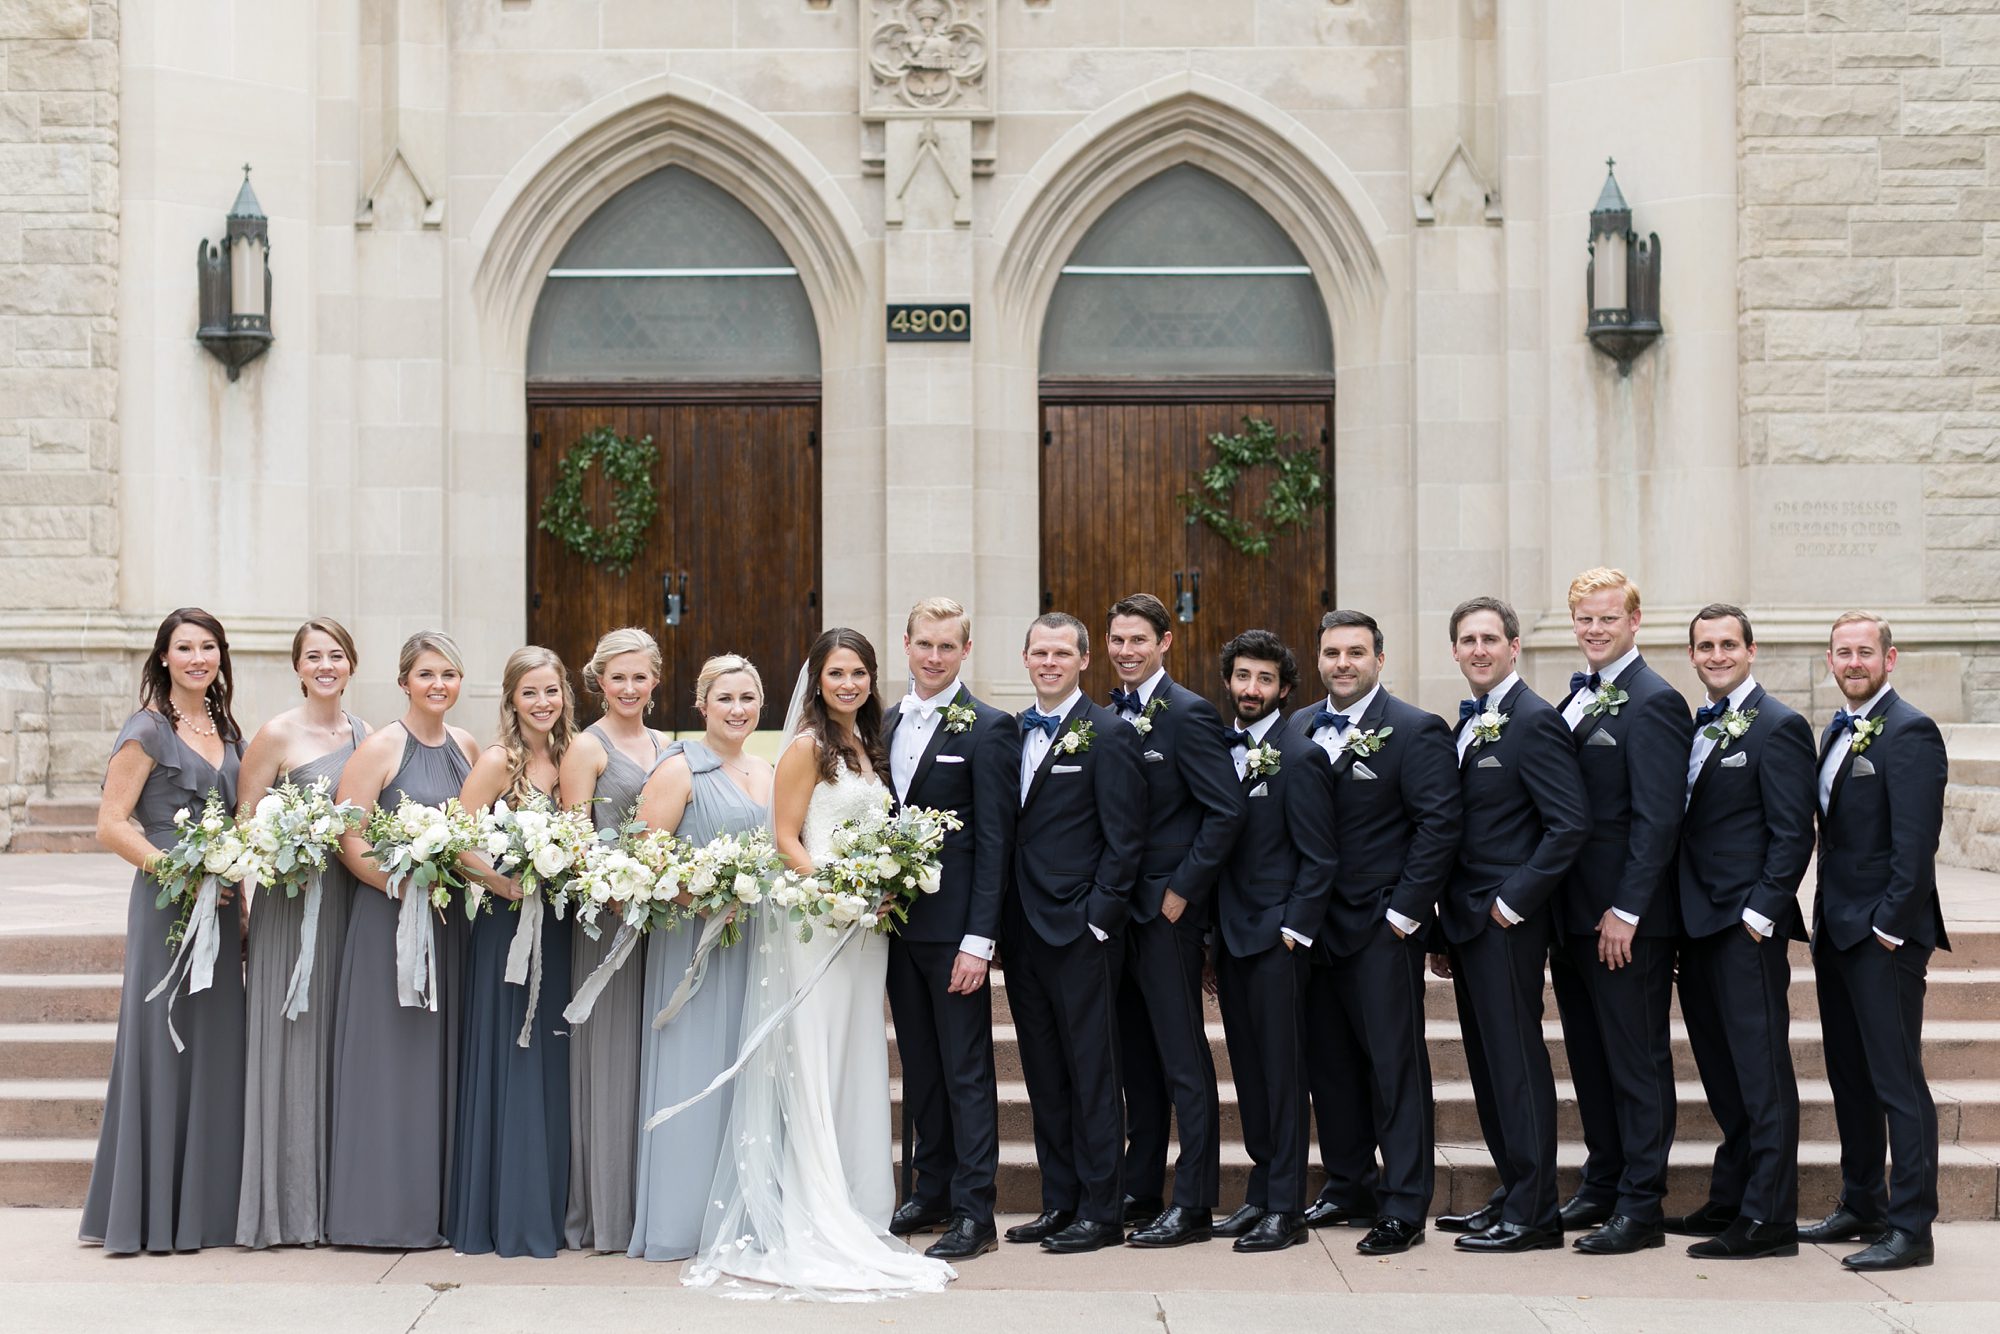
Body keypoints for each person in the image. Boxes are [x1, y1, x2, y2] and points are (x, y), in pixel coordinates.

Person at [683, 628, 954, 1296]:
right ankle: (816, 1207)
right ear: (818, 679)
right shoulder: (806, 746)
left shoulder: (869, 746)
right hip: (820, 927)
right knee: (817, 1056)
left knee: (856, 1058)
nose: (849, 684)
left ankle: (861, 1207)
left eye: (859, 672)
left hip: (868, 934)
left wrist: (879, 892)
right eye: (837, 673)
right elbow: (785, 838)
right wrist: (842, 894)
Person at [1289, 610, 1460, 1255]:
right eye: (1332, 652)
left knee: (1395, 1067)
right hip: (1313, 931)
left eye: (1355, 653)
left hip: (1382, 928)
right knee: (1328, 1066)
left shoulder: (1416, 731)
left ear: (1378, 660)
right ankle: (1347, 1182)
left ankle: (1405, 1202)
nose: (1342, 663)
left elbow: (1439, 827)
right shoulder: (1299, 726)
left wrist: (1403, 915)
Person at [81, 609, 247, 1254]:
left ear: (220, 657)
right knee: (164, 1042)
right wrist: (178, 870)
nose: (198, 657)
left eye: (208, 647)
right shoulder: (146, 729)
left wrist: (239, 899)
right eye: (185, 648)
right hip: (166, 904)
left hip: (225, 899)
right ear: (164, 658)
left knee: (216, 1045)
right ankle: (148, 1212)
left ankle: (209, 1211)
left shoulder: (229, 731)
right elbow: (112, 823)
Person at [1430, 597, 1586, 1254]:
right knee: (1490, 1066)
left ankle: (1535, 1212)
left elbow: (1568, 824)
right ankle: (1512, 1189)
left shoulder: (1535, 720)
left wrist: (1511, 903)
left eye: (1490, 638)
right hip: (1466, 924)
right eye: (1467, 639)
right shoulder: (1471, 723)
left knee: (1516, 1063)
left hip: (1506, 924)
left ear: (1514, 647)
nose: (1478, 649)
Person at [1800, 612, 1950, 1273]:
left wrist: (1888, 929)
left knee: (1897, 1082)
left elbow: (1916, 848)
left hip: (1883, 937)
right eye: (1843, 652)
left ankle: (1912, 1227)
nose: (1854, 661)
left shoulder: (1911, 731)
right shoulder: (1836, 729)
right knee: (1850, 1077)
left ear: (1891, 659)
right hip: (1836, 931)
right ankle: (1862, 1202)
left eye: (1866, 652)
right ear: (1830, 661)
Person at [1549, 568, 1691, 1255]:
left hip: (1623, 922)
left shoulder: (1655, 701)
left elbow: (1658, 820)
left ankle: (1641, 1205)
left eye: (1607, 619)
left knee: (1636, 1060)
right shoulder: (1578, 699)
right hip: (1572, 917)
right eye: (1585, 620)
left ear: (1634, 622)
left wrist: (1627, 911)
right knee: (1592, 1058)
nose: (1595, 631)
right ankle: (1602, 1182)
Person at [1669, 603, 1815, 1260]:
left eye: (1729, 644)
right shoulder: (1694, 726)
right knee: (1722, 1073)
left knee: (1761, 1074)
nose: (1718, 655)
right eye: (1706, 646)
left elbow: (1793, 833)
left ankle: (1769, 1219)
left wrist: (1760, 917)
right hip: (1695, 925)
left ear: (1751, 651)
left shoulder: (1779, 726)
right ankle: (1731, 1197)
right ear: (1693, 654)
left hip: (1744, 929)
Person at [325, 631, 479, 1248]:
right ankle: (377, 1213)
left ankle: (432, 1208)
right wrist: (401, 884)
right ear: (403, 682)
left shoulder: (467, 746)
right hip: (389, 922)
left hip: (447, 925)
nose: (438, 685)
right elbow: (349, 836)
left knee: (436, 1068)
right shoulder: (382, 747)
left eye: (448, 674)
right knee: (389, 1067)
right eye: (426, 675)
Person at [1003, 613, 1145, 1255]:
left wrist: (1098, 919)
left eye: (1063, 652)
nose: (1050, 662)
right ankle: (1059, 1201)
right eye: (1041, 652)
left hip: (1081, 932)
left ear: (1085, 660)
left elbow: (1126, 839)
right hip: (1023, 932)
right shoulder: (1011, 734)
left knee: (1092, 1072)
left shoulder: (1110, 733)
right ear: (1026, 659)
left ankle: (1101, 1209)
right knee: (1044, 1072)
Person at [1102, 594, 1241, 1245]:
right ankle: (1139, 1188)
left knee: (1183, 1060)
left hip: (1166, 916)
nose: (1126, 650)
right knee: (1136, 1060)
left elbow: (1226, 811)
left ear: (1164, 644)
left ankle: (1192, 1203)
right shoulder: (1102, 717)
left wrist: (1183, 889)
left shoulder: (1190, 715)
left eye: (1138, 640)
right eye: (1117, 640)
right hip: (1114, 917)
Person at [882, 599, 1018, 1261]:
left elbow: (996, 842)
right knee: (921, 1069)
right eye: (924, 644)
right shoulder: (886, 722)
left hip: (956, 933)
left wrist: (978, 940)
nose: (934, 657)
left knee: (966, 1072)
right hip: (898, 929)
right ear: (905, 644)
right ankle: (928, 1189)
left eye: (947, 647)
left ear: (966, 651)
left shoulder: (990, 728)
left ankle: (974, 1213)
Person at [628, 653, 771, 1262]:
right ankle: (684, 1219)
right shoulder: (679, 769)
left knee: (749, 1070)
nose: (737, 710)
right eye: (726, 699)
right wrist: (706, 894)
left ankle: (747, 1211)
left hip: (757, 942)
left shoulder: (768, 770)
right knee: (695, 1066)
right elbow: (644, 857)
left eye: (747, 698)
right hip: (694, 942)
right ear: (702, 705)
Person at [235, 617, 370, 1248]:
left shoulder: (367, 735)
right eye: (314, 656)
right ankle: (286, 1209)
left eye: (336, 655)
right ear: (297, 667)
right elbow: (243, 827)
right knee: (293, 1046)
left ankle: (338, 1202)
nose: (326, 665)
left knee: (342, 1048)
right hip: (290, 913)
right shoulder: (275, 734)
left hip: (351, 908)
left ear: (351, 665)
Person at [446, 646, 577, 1258]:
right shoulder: (499, 762)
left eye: (551, 691)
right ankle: (506, 1213)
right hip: (506, 925)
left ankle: (548, 1205)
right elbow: (455, 840)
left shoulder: (574, 758)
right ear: (511, 700)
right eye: (530, 693)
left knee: (550, 1056)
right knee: (512, 1055)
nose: (542, 703)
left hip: (561, 925)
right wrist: (499, 880)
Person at [1210, 629, 1338, 1254]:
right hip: (1231, 939)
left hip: (1277, 941)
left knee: (1284, 1075)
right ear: (1229, 682)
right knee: (1252, 1073)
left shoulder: (1301, 754)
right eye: (1242, 677)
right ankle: (1260, 1192)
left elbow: (1320, 857)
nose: (1251, 689)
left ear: (1285, 689)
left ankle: (1286, 1208)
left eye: (1264, 679)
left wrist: (1293, 932)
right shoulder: (1222, 747)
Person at [558, 627, 669, 1253]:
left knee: (652, 1062)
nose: (628, 688)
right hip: (607, 926)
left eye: (640, 676)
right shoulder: (585, 747)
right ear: (598, 681)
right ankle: (608, 1211)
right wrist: (620, 885)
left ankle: (656, 1201)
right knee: (610, 1062)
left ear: (656, 680)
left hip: (664, 923)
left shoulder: (668, 745)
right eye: (617, 677)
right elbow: (576, 842)